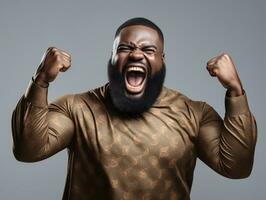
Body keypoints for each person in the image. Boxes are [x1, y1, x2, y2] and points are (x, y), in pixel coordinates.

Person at [12, 17, 257, 200]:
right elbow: (27, 150)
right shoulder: (76, 108)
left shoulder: (195, 113)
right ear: (111, 58)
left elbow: (236, 167)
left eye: (148, 49)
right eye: (125, 48)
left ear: (162, 60)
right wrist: (41, 80)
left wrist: (236, 91)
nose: (136, 54)